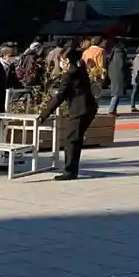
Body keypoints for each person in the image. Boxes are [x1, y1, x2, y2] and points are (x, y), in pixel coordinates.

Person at [40, 45, 99, 181]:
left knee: (72, 140)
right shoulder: (81, 70)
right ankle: (72, 169)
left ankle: (70, 171)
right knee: (75, 139)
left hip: (79, 110)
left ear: (66, 60)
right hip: (89, 108)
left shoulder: (69, 75)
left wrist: (44, 114)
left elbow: (59, 97)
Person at [106, 42, 129, 115]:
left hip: (113, 74)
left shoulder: (113, 53)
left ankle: (113, 110)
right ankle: (111, 110)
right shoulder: (120, 54)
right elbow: (122, 65)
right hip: (118, 75)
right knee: (116, 93)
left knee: (116, 93)